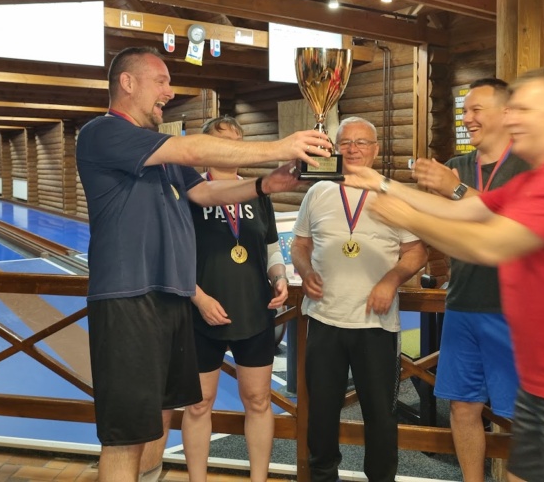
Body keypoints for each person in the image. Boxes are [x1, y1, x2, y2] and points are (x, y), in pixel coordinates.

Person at [76, 46, 332, 482]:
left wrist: (265, 185)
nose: (169, 92)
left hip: (168, 300)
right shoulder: (104, 132)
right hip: (128, 299)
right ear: (127, 83)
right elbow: (193, 149)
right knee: (125, 436)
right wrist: (280, 146)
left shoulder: (159, 155)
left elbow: (206, 193)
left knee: (158, 419)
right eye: (161, 81)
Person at [342, 65, 544, 482]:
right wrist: (382, 184)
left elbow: (488, 244)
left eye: (524, 110)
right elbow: (467, 211)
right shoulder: (541, 175)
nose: (512, 118)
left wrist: (406, 216)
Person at [290, 116, 427, 482]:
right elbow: (300, 244)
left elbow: (416, 251)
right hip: (324, 318)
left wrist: (391, 280)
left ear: (375, 150)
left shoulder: (392, 193)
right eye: (345, 142)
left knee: (380, 414)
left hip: (375, 323)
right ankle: (322, 476)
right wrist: (305, 271)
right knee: (321, 412)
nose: (353, 149)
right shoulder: (318, 191)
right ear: (335, 148)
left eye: (361, 142)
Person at [411, 78, 529, 482]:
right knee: (462, 407)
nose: (467, 118)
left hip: (513, 310)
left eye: (476, 109)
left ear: (505, 113)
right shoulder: (457, 165)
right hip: (461, 305)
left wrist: (456, 190)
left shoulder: (528, 165)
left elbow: (515, 226)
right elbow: (438, 227)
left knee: (519, 417)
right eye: (464, 111)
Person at [182, 115, 289, 482]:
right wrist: (199, 299)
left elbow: (271, 248)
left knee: (258, 400)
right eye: (222, 141)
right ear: (206, 148)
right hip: (202, 314)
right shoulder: (191, 194)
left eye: (237, 142)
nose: (231, 148)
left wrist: (279, 277)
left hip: (254, 311)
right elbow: (175, 256)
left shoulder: (257, 192)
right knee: (199, 404)